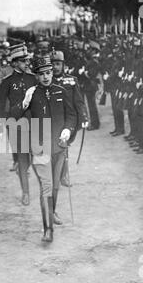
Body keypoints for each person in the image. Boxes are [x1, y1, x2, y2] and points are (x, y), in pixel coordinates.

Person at [11, 55, 77, 242]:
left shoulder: (61, 91)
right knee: (46, 187)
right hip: (40, 148)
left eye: (48, 73)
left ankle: (52, 211)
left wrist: (67, 130)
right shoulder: (32, 94)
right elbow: (14, 115)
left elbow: (72, 115)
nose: (46, 77)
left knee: (55, 186)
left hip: (59, 147)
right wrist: (24, 102)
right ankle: (48, 229)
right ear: (36, 76)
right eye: (41, 74)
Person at [0, 43, 37, 206]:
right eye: (23, 60)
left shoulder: (33, 78)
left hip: (35, 125)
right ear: (15, 63)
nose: (27, 63)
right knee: (22, 160)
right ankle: (25, 192)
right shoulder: (7, 81)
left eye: (27, 60)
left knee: (37, 158)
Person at [51, 50, 88, 187]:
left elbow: (79, 101)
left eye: (58, 64)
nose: (55, 67)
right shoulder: (47, 81)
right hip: (54, 118)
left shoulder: (72, 81)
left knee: (63, 146)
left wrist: (84, 117)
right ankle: (56, 175)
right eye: (53, 64)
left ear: (63, 65)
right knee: (54, 148)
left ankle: (63, 175)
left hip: (70, 118)